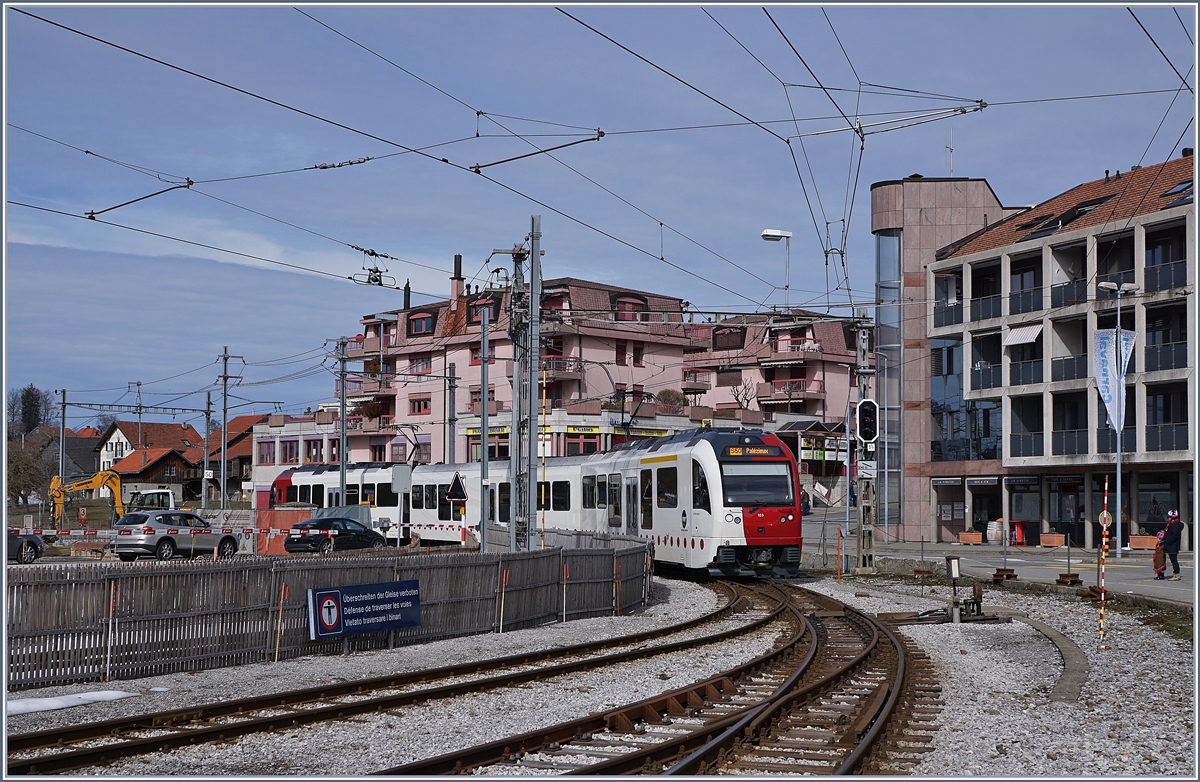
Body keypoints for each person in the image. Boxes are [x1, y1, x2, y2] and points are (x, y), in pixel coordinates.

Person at [1161, 510, 1183, 581]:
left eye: (1169, 517)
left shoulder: (1175, 525)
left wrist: (1168, 542)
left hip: (1173, 546)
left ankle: (1176, 574)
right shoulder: (1171, 525)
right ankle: (1175, 574)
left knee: (1174, 560)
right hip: (1171, 545)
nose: (1168, 518)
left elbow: (1174, 536)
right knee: (1173, 560)